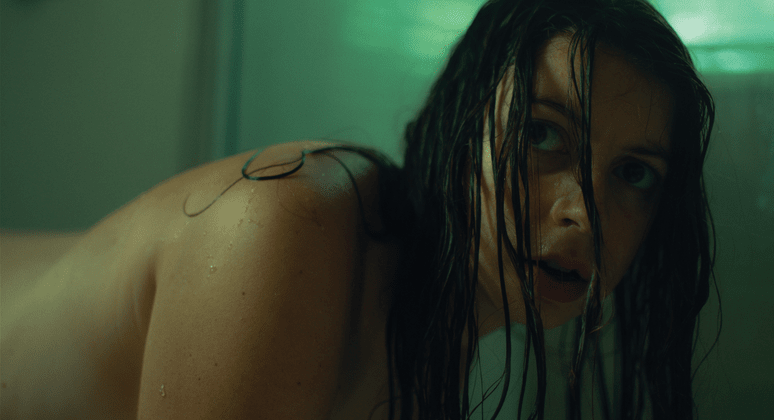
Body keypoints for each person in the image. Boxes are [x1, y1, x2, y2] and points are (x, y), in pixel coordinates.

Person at [0, 0, 721, 419]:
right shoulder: (285, 221)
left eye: (635, 174)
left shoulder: (432, 350)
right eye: (541, 134)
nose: (585, 215)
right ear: (458, 121)